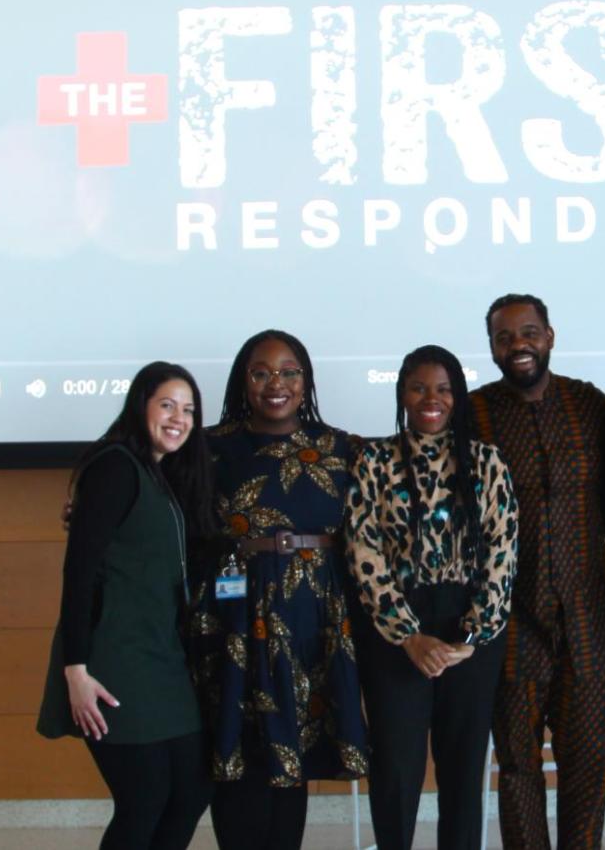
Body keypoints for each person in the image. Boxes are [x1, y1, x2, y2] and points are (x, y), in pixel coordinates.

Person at [469, 293, 605, 850]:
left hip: (588, 619)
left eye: (529, 332)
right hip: (510, 625)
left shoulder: (590, 405)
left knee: (589, 764)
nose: (518, 344)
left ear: (549, 335)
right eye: (504, 336)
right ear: (493, 346)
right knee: (518, 770)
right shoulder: (471, 414)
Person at [187, 330, 369, 850]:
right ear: (242, 381)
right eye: (261, 371)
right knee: (238, 751)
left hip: (312, 620)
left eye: (290, 372)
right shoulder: (207, 447)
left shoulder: (340, 448)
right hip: (232, 619)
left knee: (293, 751)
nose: (276, 383)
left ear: (306, 381)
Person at [344, 345, 519, 850]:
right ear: (402, 392)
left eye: (443, 388)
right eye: (419, 387)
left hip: (470, 629)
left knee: (463, 768)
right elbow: (364, 552)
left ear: (458, 396)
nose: (431, 399)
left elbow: (501, 554)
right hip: (395, 631)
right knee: (397, 767)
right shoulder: (374, 461)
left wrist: (471, 636)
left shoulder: (487, 462)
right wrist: (408, 636)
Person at [38, 361, 218, 850]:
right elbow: (78, 574)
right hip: (115, 662)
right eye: (167, 405)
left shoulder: (162, 477)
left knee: (191, 789)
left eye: (189, 410)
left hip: (164, 661)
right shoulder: (116, 466)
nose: (179, 418)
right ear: (140, 406)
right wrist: (75, 671)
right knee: (144, 798)